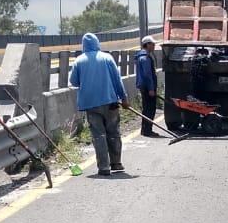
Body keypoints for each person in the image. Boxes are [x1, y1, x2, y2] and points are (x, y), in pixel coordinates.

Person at [69, 32, 130, 176]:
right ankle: (116, 163)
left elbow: (74, 81)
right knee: (113, 132)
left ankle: (104, 167)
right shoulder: (107, 58)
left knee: (98, 135)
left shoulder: (79, 61)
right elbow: (117, 80)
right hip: (110, 101)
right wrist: (124, 98)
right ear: (97, 43)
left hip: (91, 104)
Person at [135, 35, 161, 137]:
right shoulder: (145, 58)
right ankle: (147, 130)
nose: (154, 46)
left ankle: (145, 129)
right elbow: (147, 75)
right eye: (153, 44)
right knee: (150, 109)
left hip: (144, 87)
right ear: (148, 45)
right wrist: (151, 89)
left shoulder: (142, 56)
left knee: (147, 108)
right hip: (147, 87)